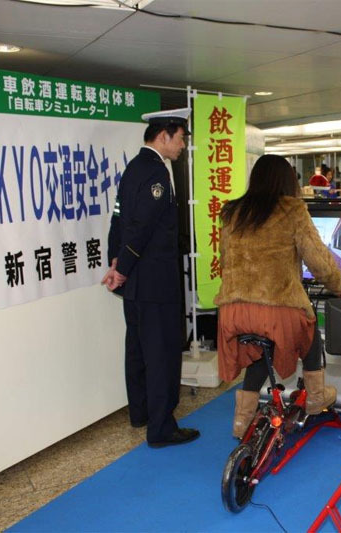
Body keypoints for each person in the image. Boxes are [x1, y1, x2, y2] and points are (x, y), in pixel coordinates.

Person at [215, 154, 341, 438]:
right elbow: (318, 259)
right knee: (310, 330)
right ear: (288, 180)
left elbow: (225, 260)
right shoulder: (293, 209)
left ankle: (241, 420)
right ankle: (315, 397)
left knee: (258, 352)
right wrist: (340, 285)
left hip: (233, 311)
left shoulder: (232, 211)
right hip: (277, 308)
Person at [101, 108, 200, 448]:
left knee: (139, 349)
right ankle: (161, 429)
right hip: (155, 283)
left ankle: (141, 412)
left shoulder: (133, 168)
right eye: (182, 138)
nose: (184, 145)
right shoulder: (157, 173)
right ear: (164, 135)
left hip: (135, 284)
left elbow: (118, 221)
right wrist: (122, 268)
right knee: (162, 354)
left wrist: (116, 263)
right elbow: (140, 229)